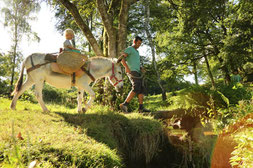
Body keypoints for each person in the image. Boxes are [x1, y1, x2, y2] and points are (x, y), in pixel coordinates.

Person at [119, 36, 150, 113]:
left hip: (138, 72)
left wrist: (141, 68)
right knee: (136, 87)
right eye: (138, 43)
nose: (139, 45)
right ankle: (124, 104)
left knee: (141, 90)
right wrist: (126, 68)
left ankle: (141, 108)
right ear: (134, 42)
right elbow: (122, 58)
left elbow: (135, 62)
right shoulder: (129, 49)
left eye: (140, 44)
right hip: (132, 71)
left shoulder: (137, 52)